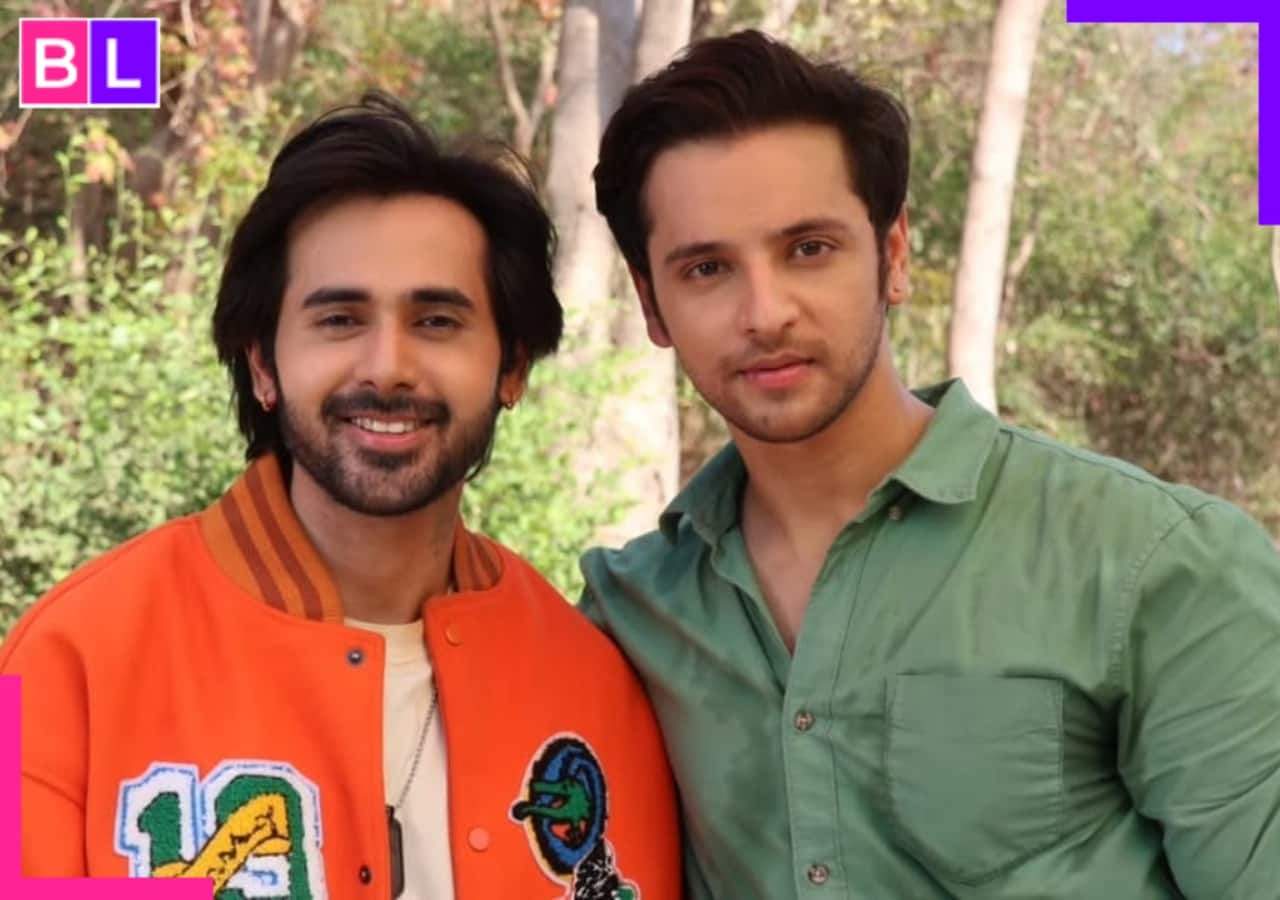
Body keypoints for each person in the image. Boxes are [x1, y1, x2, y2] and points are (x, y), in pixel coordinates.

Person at [580, 29, 1280, 899]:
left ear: (895, 255)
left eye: (809, 249)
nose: (765, 312)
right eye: (707, 267)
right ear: (652, 305)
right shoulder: (632, 613)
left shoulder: (1151, 562)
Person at [1, 92, 680, 900]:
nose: (387, 367)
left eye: (437, 321)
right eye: (339, 320)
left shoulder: (592, 682)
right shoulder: (65, 661)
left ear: (512, 368)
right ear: (263, 363)